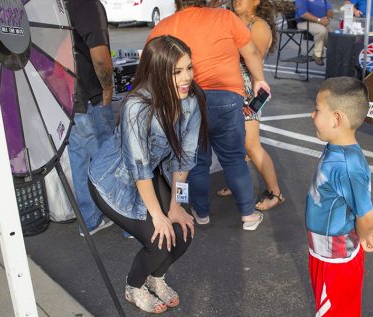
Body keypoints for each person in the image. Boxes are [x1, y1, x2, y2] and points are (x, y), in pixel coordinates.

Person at [88, 35, 208, 313]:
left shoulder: (190, 100)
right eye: (177, 71)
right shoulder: (137, 106)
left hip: (153, 173)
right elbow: (138, 168)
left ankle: (156, 279)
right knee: (160, 241)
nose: (187, 77)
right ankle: (134, 286)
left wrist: (176, 205)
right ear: (157, 72)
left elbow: (185, 158)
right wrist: (158, 216)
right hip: (113, 180)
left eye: (189, 68)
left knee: (184, 232)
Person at [147, 0, 271, 230]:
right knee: (234, 158)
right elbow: (251, 51)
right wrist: (259, 79)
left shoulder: (165, 25)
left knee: (196, 162)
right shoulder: (225, 18)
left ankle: (201, 212)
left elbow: (151, 64)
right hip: (227, 98)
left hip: (187, 100)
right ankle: (248, 214)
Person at [306, 77, 373, 316]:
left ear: (337, 118)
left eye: (317, 110)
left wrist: (366, 232)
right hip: (326, 252)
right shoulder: (339, 149)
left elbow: (367, 216)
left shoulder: (346, 164)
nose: (312, 115)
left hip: (335, 259)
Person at [215, 0, 284, 211]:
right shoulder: (230, 19)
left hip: (250, 90)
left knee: (252, 145)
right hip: (230, 87)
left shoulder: (258, 25)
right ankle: (238, 184)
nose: (237, 0)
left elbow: (253, 59)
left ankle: (276, 192)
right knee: (235, 143)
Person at [66, 0, 116, 236]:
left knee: (79, 159)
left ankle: (90, 221)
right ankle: (124, 217)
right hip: (89, 95)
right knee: (109, 155)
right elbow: (99, 56)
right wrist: (107, 89)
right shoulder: (85, 3)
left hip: (67, 94)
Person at [295, 0, 333, 66]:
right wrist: (319, 20)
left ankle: (335, 60)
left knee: (334, 37)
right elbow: (304, 14)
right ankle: (317, 55)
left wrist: (328, 18)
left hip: (321, 22)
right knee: (321, 31)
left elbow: (330, 10)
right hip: (304, 22)